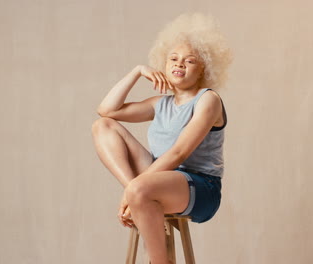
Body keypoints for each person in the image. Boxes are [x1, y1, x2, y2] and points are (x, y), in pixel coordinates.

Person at [91, 12, 232, 264]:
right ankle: (135, 194)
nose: (179, 64)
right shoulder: (160, 103)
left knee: (139, 188)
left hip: (201, 187)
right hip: (157, 178)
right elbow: (107, 110)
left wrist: (133, 191)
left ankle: (159, 261)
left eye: (190, 61)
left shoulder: (208, 100)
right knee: (103, 126)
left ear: (204, 68)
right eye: (173, 59)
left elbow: (179, 154)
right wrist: (136, 71)